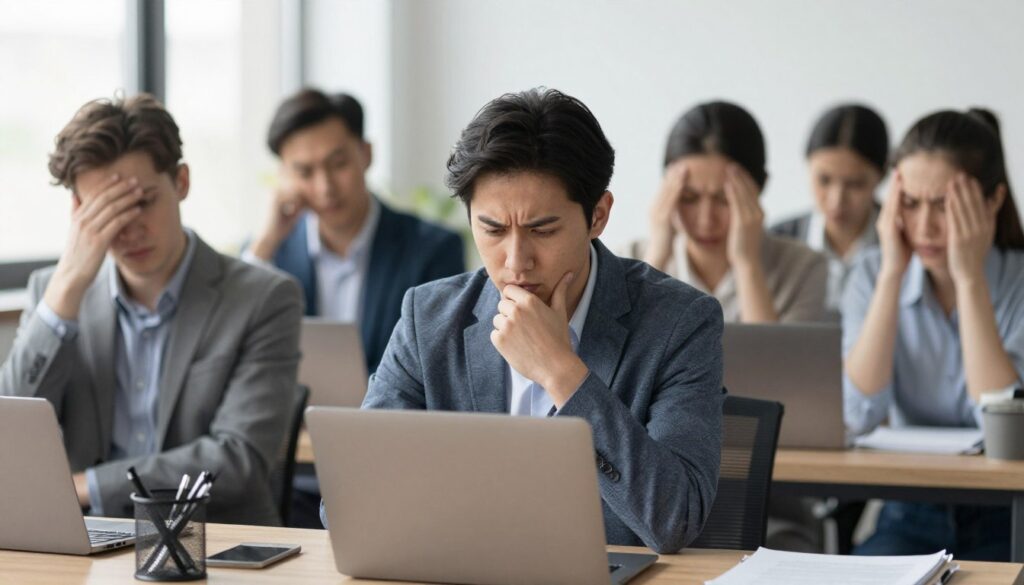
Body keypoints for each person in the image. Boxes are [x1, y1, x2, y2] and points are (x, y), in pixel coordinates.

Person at [324, 88, 726, 553]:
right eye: (492, 229)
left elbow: (675, 518)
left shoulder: (680, 323)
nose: (516, 262)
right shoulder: (428, 318)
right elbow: (347, 503)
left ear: (598, 215)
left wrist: (562, 373)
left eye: (542, 230)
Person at [0, 94, 303, 525]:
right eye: (106, 211)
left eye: (141, 202)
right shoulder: (53, 293)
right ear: (78, 211)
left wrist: (88, 486)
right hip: (86, 537)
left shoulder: (264, 297)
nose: (128, 229)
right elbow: (10, 436)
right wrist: (65, 294)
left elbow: (240, 460)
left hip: (213, 537)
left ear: (181, 181)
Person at [844, 108, 1024, 561]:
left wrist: (969, 279)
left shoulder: (1017, 281)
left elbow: (1007, 432)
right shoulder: (871, 274)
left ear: (993, 201)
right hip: (910, 511)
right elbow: (857, 414)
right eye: (910, 203)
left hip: (1009, 514)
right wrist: (891, 274)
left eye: (944, 205)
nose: (924, 226)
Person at [245, 88, 465, 374]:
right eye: (305, 172)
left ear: (366, 154)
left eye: (338, 164)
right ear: (284, 176)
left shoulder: (432, 249)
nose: (325, 187)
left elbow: (440, 367)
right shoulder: (272, 253)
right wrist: (265, 244)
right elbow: (235, 346)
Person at [627, 101, 827, 323]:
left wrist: (746, 263)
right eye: (689, 198)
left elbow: (771, 347)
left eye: (724, 199)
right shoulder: (629, 260)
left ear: (758, 188)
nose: (706, 220)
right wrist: (656, 257)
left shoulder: (802, 268)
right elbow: (622, 345)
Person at [772, 104, 889, 315]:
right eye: (824, 180)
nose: (837, 200)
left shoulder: (908, 245)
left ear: (882, 176)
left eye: (855, 184)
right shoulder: (778, 239)